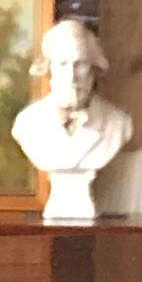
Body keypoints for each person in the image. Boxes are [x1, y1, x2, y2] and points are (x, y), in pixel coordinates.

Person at [11, 16, 130, 224]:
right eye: (62, 64)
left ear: (93, 68)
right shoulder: (27, 124)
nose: (71, 76)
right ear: (49, 68)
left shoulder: (119, 123)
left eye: (80, 64)